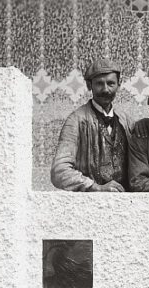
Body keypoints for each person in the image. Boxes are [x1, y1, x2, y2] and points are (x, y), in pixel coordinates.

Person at [50, 58, 133, 192]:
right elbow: (59, 171)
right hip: (89, 201)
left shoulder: (127, 121)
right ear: (89, 85)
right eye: (99, 83)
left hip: (124, 200)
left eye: (111, 83)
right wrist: (94, 187)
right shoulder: (76, 120)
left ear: (119, 84)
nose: (105, 89)